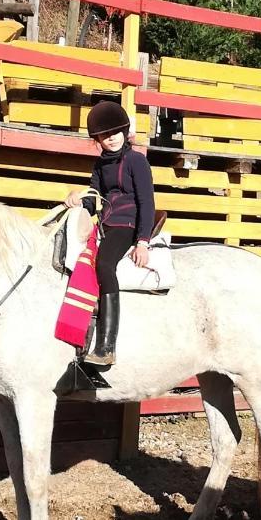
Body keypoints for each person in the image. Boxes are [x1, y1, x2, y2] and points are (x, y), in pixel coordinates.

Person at [65, 100, 155, 366]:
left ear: (125, 132)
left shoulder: (136, 162)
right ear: (98, 140)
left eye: (115, 132)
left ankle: (107, 346)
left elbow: (147, 202)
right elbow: (94, 199)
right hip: (105, 225)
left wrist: (142, 241)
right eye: (105, 135)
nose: (111, 138)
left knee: (104, 264)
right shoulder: (99, 166)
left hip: (127, 225)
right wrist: (77, 199)